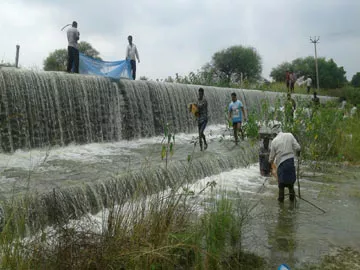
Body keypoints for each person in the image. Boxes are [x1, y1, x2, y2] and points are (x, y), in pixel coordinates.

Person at [269, 130, 301, 202]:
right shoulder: (289, 135)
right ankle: (292, 206)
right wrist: (298, 155)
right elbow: (298, 148)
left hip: (281, 164)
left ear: (274, 134)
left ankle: (281, 207)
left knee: (281, 186)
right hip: (290, 163)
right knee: (291, 185)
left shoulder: (274, 141)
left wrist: (270, 164)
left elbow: (271, 157)